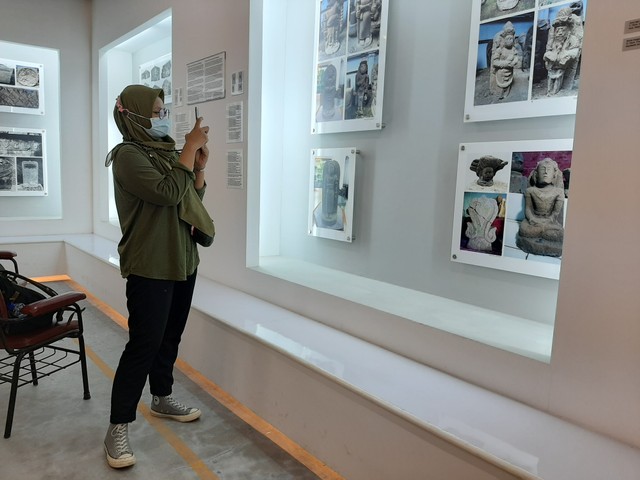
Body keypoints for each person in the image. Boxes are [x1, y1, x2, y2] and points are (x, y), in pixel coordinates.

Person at [103, 84, 214, 469]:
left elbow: (190, 202)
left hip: (183, 259)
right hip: (151, 264)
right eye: (154, 110)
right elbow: (167, 193)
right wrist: (187, 152)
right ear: (130, 113)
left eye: (163, 109)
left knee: (170, 336)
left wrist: (198, 169)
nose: (161, 116)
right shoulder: (128, 157)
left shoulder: (166, 153)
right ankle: (117, 426)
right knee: (143, 344)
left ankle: (162, 396)